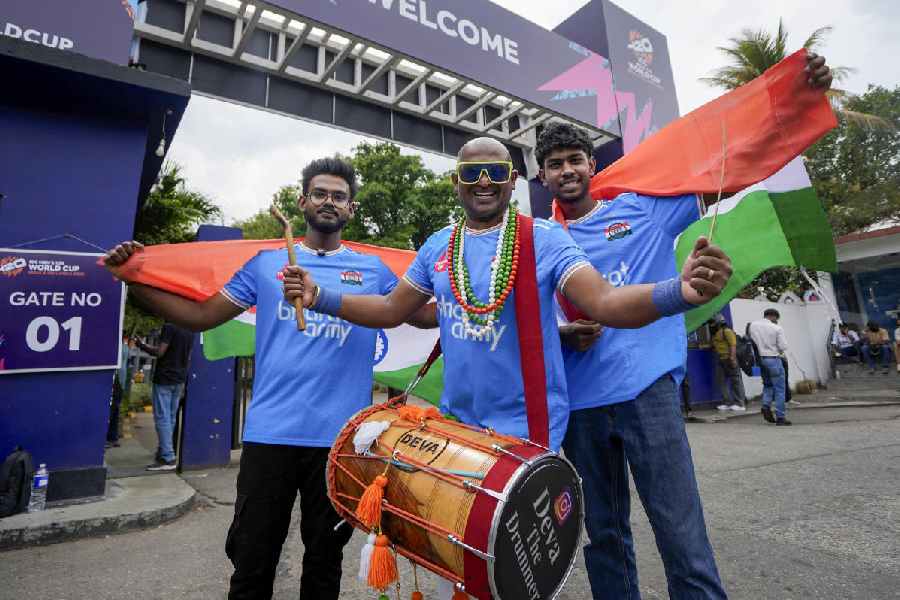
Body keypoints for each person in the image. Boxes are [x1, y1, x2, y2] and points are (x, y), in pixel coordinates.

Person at [104, 158, 434, 600]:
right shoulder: (265, 265)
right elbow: (201, 317)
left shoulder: (373, 272)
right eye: (320, 193)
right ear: (302, 202)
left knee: (324, 561)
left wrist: (466, 287)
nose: (328, 202)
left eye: (338, 196)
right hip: (269, 435)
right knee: (252, 559)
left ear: (351, 209)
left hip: (339, 442)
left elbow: (423, 315)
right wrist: (134, 279)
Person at [282, 137, 733, 454]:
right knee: (460, 577)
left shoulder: (544, 238)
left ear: (511, 180)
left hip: (530, 432)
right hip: (459, 430)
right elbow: (389, 309)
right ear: (456, 183)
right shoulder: (439, 245)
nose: (483, 181)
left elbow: (605, 302)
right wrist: (319, 295)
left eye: (494, 172)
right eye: (470, 172)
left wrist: (682, 291)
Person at [536, 121, 728, 599]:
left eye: (574, 160)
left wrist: (789, 104)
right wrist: (562, 333)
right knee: (604, 537)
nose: (567, 170)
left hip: (649, 393)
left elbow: (726, 169)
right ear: (542, 177)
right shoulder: (536, 241)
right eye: (555, 164)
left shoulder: (641, 210)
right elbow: (524, 322)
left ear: (591, 166)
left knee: (680, 532)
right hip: (580, 408)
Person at [137, 323, 193, 469]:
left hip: (164, 378)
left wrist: (142, 345)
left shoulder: (170, 326)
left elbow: (160, 352)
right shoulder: (190, 329)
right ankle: (164, 452)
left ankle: (168, 457)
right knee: (170, 418)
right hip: (179, 379)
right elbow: (188, 357)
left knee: (162, 418)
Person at [748, 309, 790, 426]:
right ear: (773, 317)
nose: (776, 321)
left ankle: (766, 406)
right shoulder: (777, 328)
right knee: (779, 389)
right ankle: (781, 417)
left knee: (768, 385)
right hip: (773, 359)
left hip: (759, 360)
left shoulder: (753, 325)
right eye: (776, 319)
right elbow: (783, 346)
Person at [709, 315, 747, 412]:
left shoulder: (727, 331)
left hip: (729, 359)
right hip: (720, 359)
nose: (711, 325)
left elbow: (733, 345)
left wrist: (732, 358)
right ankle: (727, 403)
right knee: (721, 381)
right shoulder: (717, 333)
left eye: (713, 322)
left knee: (735, 381)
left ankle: (740, 403)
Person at [105, 333, 133, 449]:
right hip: (119, 381)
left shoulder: (120, 346)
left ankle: (110, 437)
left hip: (116, 380)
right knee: (115, 409)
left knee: (112, 410)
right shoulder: (125, 347)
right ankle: (113, 437)